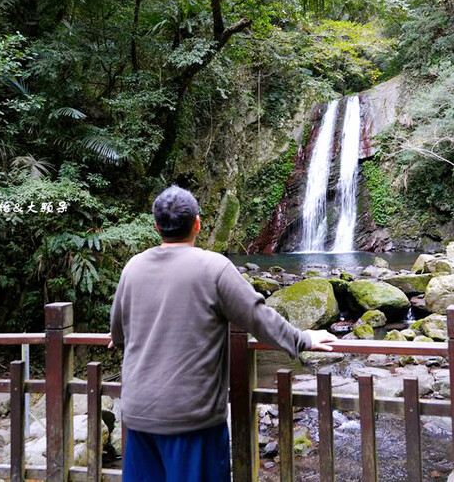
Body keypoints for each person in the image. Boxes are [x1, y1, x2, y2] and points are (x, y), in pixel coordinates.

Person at [109, 185, 337, 481]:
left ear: (156, 227)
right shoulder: (214, 268)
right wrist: (303, 338)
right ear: (197, 224)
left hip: (139, 414)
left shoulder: (132, 268)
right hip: (191, 418)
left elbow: (118, 329)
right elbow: (257, 317)